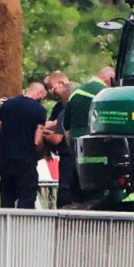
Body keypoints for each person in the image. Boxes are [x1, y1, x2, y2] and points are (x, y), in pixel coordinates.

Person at [0, 82, 48, 209]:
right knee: (26, 196)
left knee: (7, 195)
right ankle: (23, 226)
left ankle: (5, 225)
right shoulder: (40, 110)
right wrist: (42, 150)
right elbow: (37, 140)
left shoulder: (8, 104)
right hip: (26, 159)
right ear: (40, 93)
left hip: (6, 158)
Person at [44, 71, 80, 207]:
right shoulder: (59, 107)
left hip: (68, 155)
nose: (50, 91)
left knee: (66, 190)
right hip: (70, 153)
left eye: (51, 87)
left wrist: (41, 133)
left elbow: (57, 138)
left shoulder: (66, 109)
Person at [65, 66, 116, 144]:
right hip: (97, 139)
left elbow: (66, 123)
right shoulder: (107, 94)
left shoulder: (75, 92)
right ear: (109, 80)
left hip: (76, 139)